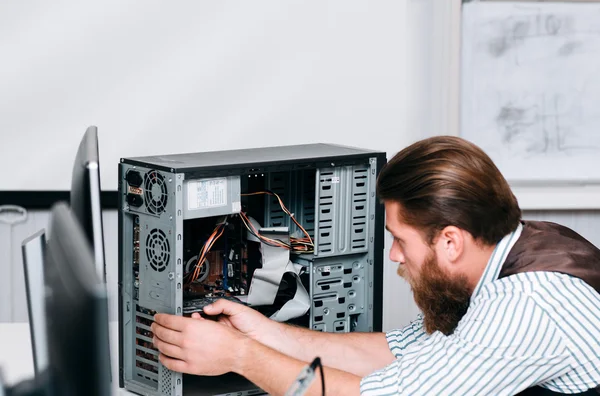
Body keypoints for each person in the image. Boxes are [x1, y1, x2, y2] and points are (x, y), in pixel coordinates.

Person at [151, 136, 600, 395]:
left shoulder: (523, 308)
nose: (393, 256)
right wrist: (261, 333)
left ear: (450, 241)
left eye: (400, 240)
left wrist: (239, 356)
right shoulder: (517, 243)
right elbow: (392, 354)